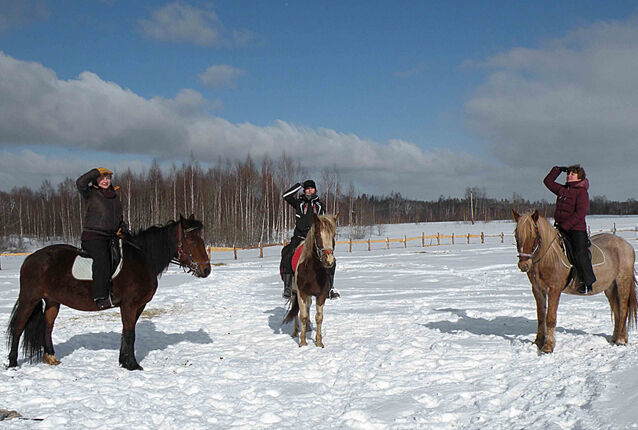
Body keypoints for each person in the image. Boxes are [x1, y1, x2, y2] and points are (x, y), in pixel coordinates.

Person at [76, 167, 128, 309]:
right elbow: (80, 183)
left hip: (111, 237)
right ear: (95, 180)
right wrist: (95, 172)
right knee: (102, 258)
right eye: (101, 178)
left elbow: (118, 217)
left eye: (107, 178)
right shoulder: (91, 193)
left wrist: (122, 226)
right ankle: (100, 296)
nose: (105, 181)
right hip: (93, 237)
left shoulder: (115, 197)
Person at [280, 179, 339, 300]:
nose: (309, 190)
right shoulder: (298, 203)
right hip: (299, 237)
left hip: (313, 239)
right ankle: (287, 287)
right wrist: (299, 185)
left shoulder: (320, 206)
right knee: (287, 254)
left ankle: (330, 287)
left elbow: (324, 223)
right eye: (307, 188)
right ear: (304, 191)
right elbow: (286, 195)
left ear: (315, 190)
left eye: (311, 188)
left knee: (330, 258)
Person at [543, 164, 596, 294]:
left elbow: (580, 213)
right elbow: (547, 182)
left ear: (579, 177)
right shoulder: (562, 189)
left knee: (579, 252)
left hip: (576, 229)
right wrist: (557, 170)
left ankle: (586, 281)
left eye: (572, 174)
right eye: (568, 174)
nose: (568, 176)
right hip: (560, 227)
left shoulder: (582, 192)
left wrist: (566, 225)